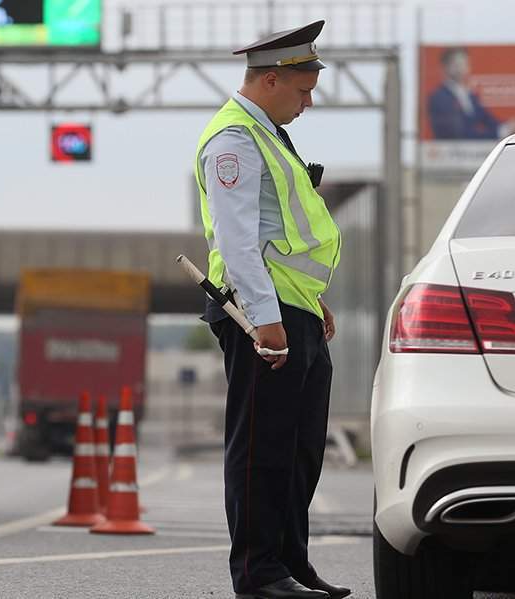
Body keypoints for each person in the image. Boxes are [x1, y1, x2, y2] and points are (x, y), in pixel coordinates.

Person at [194, 20, 350, 599]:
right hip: (260, 316)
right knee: (262, 446)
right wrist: (267, 318)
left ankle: (291, 565)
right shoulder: (234, 140)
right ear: (268, 80)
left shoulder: (269, 134)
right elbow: (236, 243)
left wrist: (311, 303)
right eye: (303, 91)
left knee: (300, 448)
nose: (308, 103)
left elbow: (277, 234)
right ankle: (260, 574)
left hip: (294, 308)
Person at [428, 46, 515, 139]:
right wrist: (498, 133)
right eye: (456, 64)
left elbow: (487, 119)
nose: (461, 67)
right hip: (453, 151)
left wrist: (508, 127)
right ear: (446, 66)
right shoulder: (439, 97)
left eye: (464, 63)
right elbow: (459, 134)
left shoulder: (470, 95)